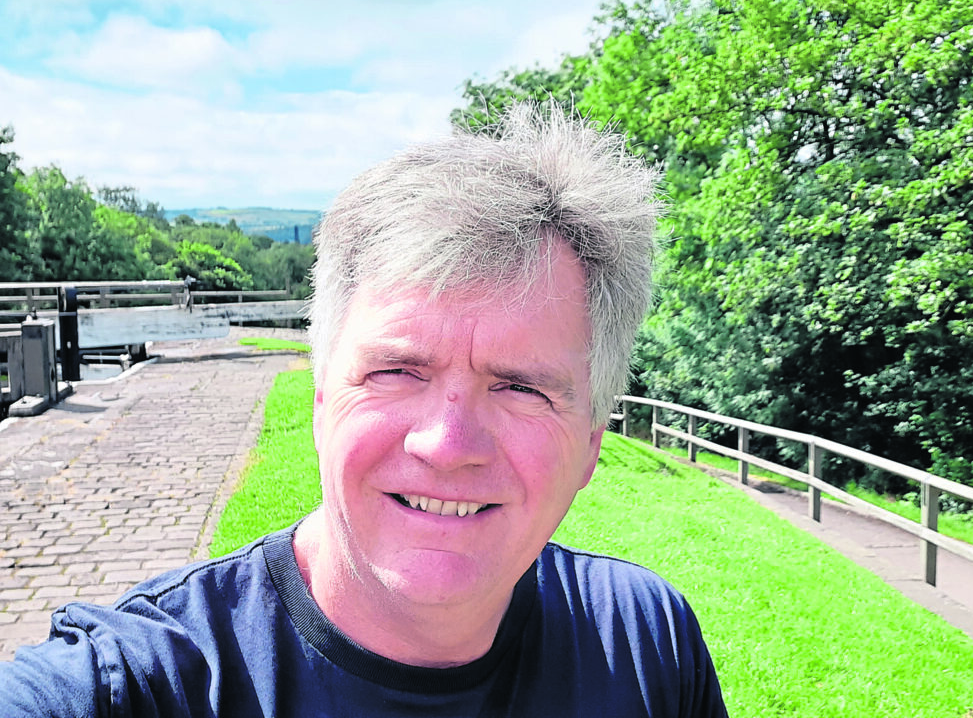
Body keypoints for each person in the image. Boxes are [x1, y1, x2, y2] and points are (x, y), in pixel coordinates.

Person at [0, 103, 728, 716]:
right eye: (397, 371)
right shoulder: (161, 679)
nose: (448, 443)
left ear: (591, 445)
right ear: (322, 403)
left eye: (521, 388)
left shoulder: (646, 643)